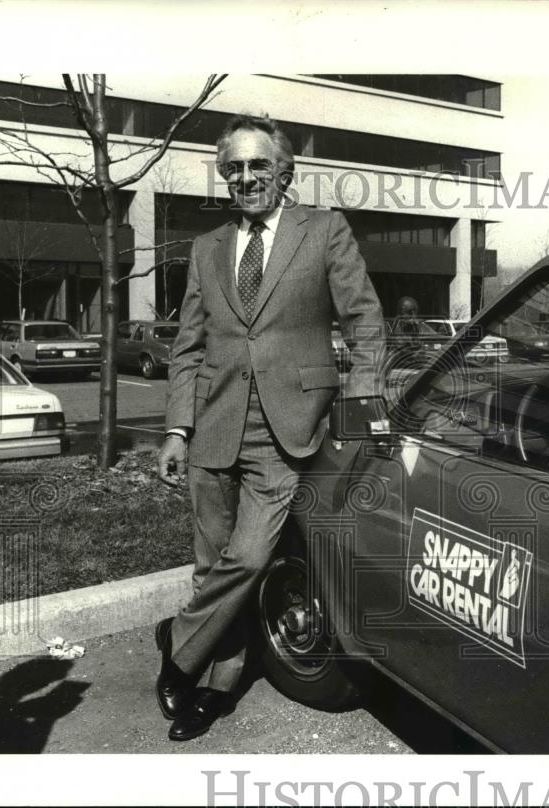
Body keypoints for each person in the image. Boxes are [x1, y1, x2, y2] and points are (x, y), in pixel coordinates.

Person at [155, 114, 384, 741]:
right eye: (236, 168)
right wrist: (177, 428)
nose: (248, 178)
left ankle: (179, 646)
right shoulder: (207, 248)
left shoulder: (325, 230)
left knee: (250, 557)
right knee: (212, 563)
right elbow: (187, 348)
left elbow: (364, 323)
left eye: (260, 165)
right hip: (211, 425)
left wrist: (364, 412)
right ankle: (216, 683)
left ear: (286, 172)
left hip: (289, 428)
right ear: (226, 176)